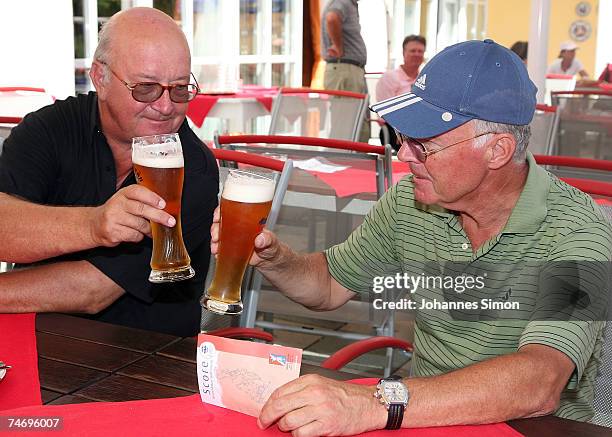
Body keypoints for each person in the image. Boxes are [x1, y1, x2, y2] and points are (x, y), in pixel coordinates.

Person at [211, 39, 611, 435]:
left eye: (424, 144)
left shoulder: (580, 231)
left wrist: (374, 403)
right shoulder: (412, 200)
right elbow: (330, 285)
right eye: (403, 138)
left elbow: (539, 381)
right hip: (423, 420)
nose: (403, 156)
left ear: (497, 151)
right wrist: (278, 260)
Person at [0, 8, 219, 337]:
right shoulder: (50, 128)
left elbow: (92, 291)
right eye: (145, 88)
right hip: (32, 335)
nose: (165, 106)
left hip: (144, 360)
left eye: (179, 89)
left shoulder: (193, 168)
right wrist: (94, 224)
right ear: (100, 78)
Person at [321, 0, 370, 142]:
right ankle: (343, 163)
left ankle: (353, 162)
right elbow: (332, 18)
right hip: (345, 69)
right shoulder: (343, 2)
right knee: (347, 125)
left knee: (355, 123)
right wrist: (337, 46)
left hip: (348, 70)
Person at [375, 34, 426, 151]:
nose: (417, 54)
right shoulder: (390, 77)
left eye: (420, 51)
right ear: (403, 53)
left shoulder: (425, 78)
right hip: (395, 129)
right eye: (413, 51)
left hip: (422, 128)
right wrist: (402, 130)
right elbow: (385, 111)